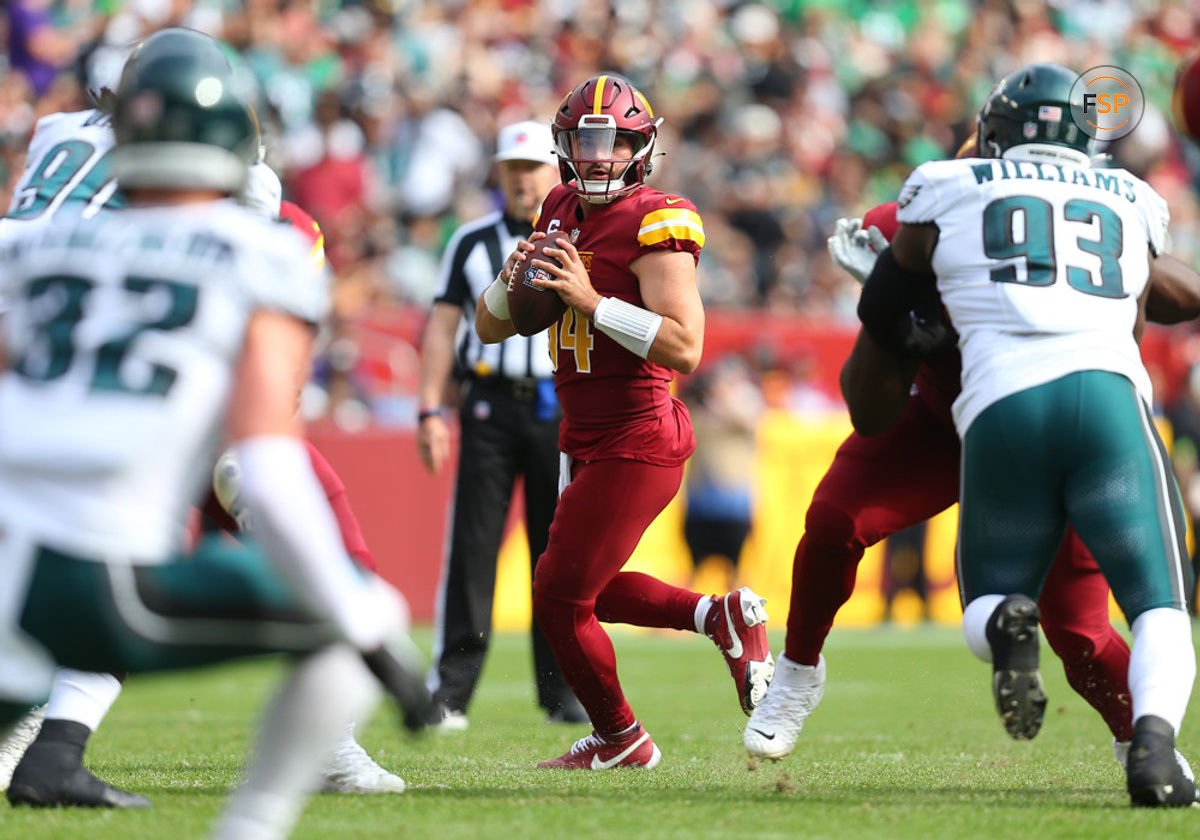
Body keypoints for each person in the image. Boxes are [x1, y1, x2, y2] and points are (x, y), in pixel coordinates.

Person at [0, 27, 428, 839]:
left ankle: (43, 742)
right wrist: (368, 629)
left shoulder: (52, 183)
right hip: (101, 552)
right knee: (345, 609)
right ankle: (264, 813)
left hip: (17, 512)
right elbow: (267, 456)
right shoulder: (252, 239)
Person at [745, 81, 1200, 799]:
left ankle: (1136, 742)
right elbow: (870, 405)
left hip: (1005, 410)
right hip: (946, 415)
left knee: (1078, 634)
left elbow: (1166, 287)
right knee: (833, 521)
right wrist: (894, 323)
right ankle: (797, 673)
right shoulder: (918, 214)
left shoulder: (964, 195)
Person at [475, 73, 774, 769]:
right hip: (582, 439)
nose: (598, 156)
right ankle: (720, 617)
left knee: (555, 597)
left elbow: (686, 347)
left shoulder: (659, 218)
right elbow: (492, 328)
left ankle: (620, 738)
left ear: (641, 148)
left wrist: (589, 300)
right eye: (584, 141)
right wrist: (509, 275)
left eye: (612, 142)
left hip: (638, 435)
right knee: (591, 588)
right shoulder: (555, 207)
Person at [416, 120, 584, 729]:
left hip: (559, 406)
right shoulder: (470, 241)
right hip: (488, 405)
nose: (521, 179)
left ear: (555, 170)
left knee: (557, 554)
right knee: (473, 549)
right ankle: (453, 691)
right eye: (511, 168)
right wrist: (430, 408)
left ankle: (562, 689)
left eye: (532, 167)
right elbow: (441, 329)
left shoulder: (581, 236)